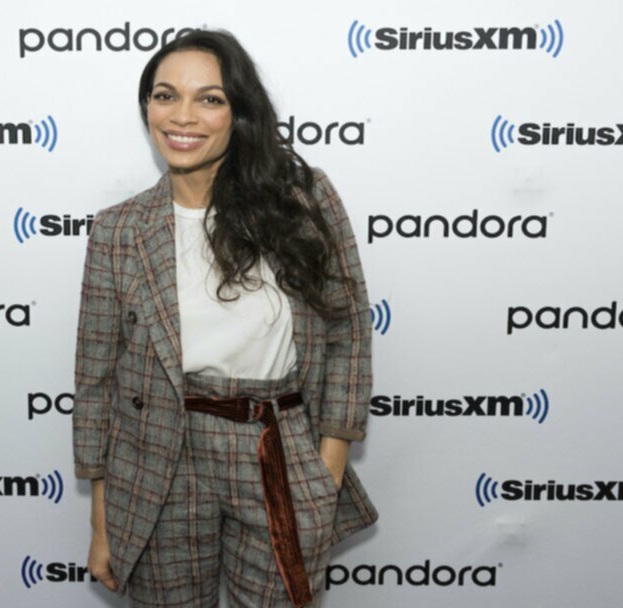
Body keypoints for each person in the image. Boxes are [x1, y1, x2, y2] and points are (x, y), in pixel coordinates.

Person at [73, 28, 377, 607]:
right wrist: (102, 523)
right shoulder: (118, 230)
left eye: (209, 98)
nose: (182, 116)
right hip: (159, 456)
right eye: (165, 96)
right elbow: (96, 380)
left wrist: (325, 474)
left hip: (276, 448)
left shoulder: (303, 200)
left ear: (239, 112)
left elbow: (349, 331)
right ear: (146, 107)